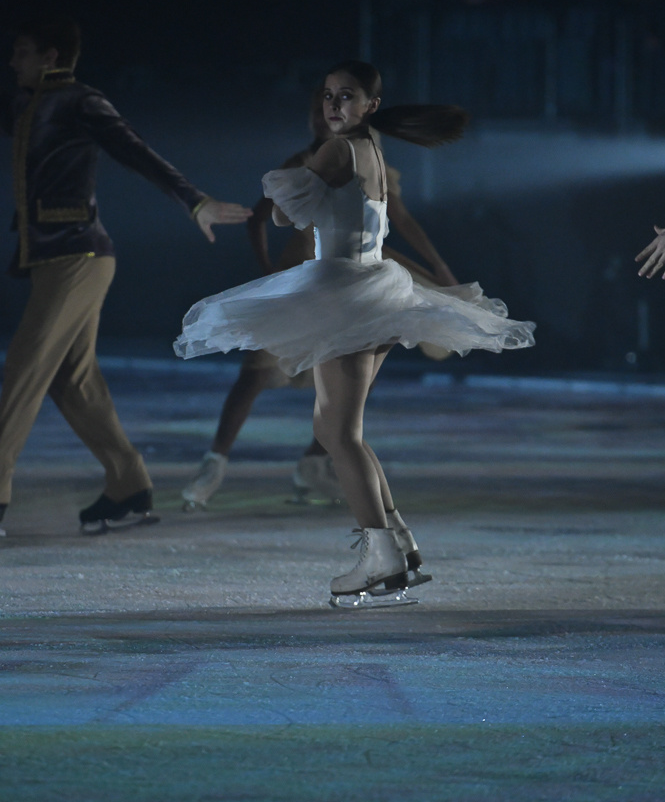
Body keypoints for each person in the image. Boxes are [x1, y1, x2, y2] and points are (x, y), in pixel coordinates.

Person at [174, 60, 535, 605]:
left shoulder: (337, 150)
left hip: (344, 294)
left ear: (370, 105)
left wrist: (304, 186)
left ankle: (382, 555)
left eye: (346, 97)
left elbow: (281, 215)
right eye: (327, 96)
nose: (333, 106)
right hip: (372, 289)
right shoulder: (372, 150)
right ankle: (399, 543)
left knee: (338, 434)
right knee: (335, 427)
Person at [0, 15, 252, 537]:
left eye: (21, 53)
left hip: (80, 257)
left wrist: (194, 200)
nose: (11, 62)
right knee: (71, 381)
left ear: (50, 57)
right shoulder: (25, 105)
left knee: (23, 372)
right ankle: (128, 485)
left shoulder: (81, 102)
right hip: (53, 258)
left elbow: (134, 150)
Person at [181, 107, 459, 511]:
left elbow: (397, 218)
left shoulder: (372, 156)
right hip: (309, 278)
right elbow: (263, 217)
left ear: (367, 106)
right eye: (320, 104)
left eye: (340, 99)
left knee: (351, 384)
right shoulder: (310, 160)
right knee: (257, 373)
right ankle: (216, 461)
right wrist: (270, 275)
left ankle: (316, 463)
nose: (324, 114)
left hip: (353, 281)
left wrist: (439, 267)